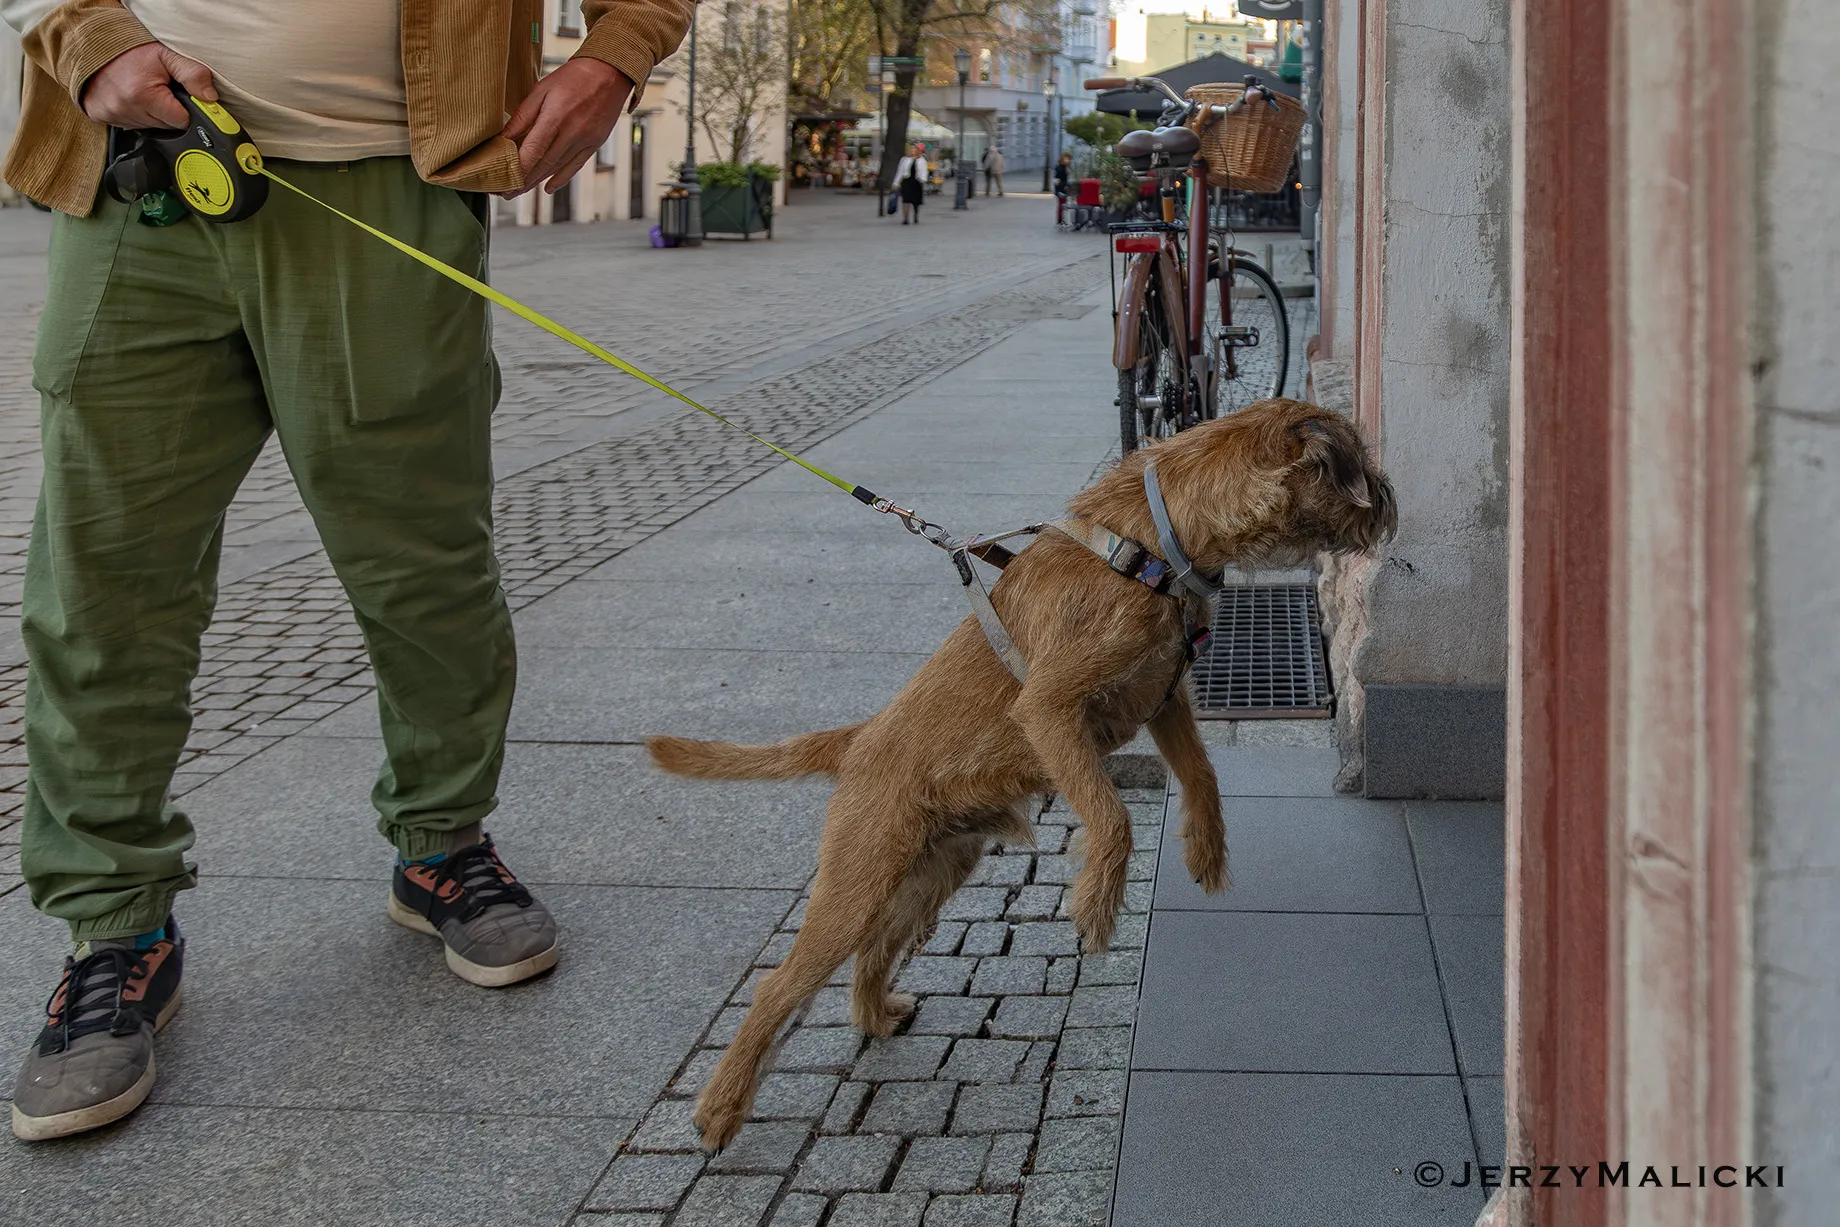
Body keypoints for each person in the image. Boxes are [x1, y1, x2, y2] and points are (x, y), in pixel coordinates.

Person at [0, 0, 693, 1143]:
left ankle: (441, 847)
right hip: (143, 182)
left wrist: (618, 56)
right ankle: (116, 930)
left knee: (424, 566)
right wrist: (91, 40)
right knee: (101, 586)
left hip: (395, 182)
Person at [895, 142, 927, 224]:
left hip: (917, 182)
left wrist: (923, 179)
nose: (912, 150)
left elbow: (924, 171)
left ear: (917, 150)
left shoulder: (921, 160)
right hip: (906, 181)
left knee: (916, 201)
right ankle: (906, 218)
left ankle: (915, 215)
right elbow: (900, 171)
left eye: (914, 148)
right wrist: (896, 183)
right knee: (906, 200)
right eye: (911, 148)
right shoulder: (904, 159)